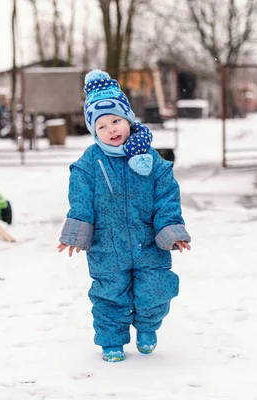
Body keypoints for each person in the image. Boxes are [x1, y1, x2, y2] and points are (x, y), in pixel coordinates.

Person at [57, 70, 191, 362]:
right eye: (102, 125)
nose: (112, 129)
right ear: (94, 131)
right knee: (110, 297)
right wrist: (76, 233)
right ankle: (112, 341)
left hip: (150, 246)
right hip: (107, 248)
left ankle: (147, 326)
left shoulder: (152, 160)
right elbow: (80, 201)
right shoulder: (89, 164)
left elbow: (166, 198)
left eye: (116, 120)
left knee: (155, 291)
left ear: (128, 119)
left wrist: (171, 231)